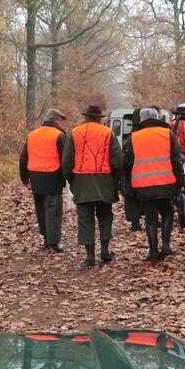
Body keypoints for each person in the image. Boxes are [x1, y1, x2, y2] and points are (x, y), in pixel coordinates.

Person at [63, 104, 123, 267]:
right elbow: (117, 161)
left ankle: (90, 255)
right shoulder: (107, 132)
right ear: (99, 118)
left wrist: (72, 180)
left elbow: (67, 161)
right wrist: (115, 181)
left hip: (82, 181)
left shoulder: (74, 133)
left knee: (85, 218)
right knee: (105, 215)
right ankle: (104, 250)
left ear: (86, 117)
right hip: (104, 181)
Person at [124, 108, 184, 261]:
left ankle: (152, 251)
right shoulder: (167, 134)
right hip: (166, 184)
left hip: (143, 186)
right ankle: (166, 245)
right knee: (167, 213)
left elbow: (128, 163)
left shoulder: (134, 137)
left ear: (143, 120)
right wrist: (181, 181)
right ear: (156, 118)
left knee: (150, 218)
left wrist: (128, 186)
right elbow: (176, 160)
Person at [19, 109, 68, 252]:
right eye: (61, 120)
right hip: (53, 177)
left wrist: (25, 179)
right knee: (53, 210)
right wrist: (69, 178)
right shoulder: (59, 135)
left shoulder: (32, 135)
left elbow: (23, 158)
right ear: (55, 119)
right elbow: (65, 160)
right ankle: (54, 244)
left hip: (36, 177)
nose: (62, 123)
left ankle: (46, 241)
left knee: (41, 210)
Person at [121, 107, 143, 232]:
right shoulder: (144, 134)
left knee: (132, 199)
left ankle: (135, 223)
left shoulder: (131, 137)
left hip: (132, 175)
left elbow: (126, 160)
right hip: (147, 174)